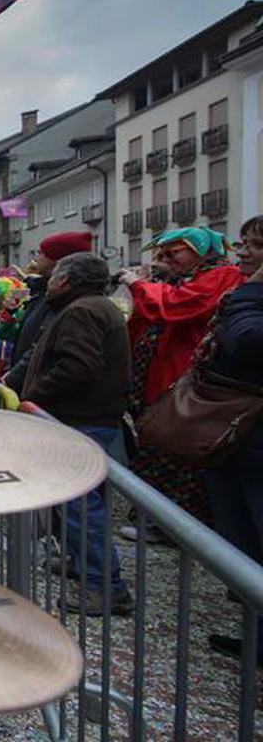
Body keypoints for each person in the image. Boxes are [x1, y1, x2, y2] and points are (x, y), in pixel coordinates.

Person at [22, 253, 134, 616]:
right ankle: (83, 565)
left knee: (80, 507)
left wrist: (35, 391)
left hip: (80, 419)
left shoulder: (82, 311)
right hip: (87, 417)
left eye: (54, 276)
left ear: (65, 281)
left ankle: (104, 585)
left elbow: (78, 367)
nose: (50, 280)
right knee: (80, 503)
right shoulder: (92, 306)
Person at [120, 227, 244, 526]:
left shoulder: (222, 276)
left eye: (173, 253)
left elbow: (175, 306)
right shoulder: (182, 278)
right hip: (160, 380)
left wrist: (140, 285)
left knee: (176, 456)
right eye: (161, 254)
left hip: (182, 384)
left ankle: (170, 526)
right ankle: (155, 519)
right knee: (155, 448)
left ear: (199, 251)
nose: (165, 259)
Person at [200, 215, 263, 662]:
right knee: (245, 549)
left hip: (253, 436)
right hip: (241, 436)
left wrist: (249, 294)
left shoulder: (249, 298)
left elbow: (246, 343)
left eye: (254, 246)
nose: (242, 253)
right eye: (242, 244)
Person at [4, 231, 94, 392]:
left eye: (42, 252)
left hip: (40, 392)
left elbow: (42, 343)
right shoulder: (44, 291)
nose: (36, 256)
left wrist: (18, 379)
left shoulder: (65, 301)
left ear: (60, 261)